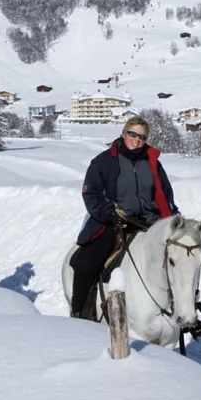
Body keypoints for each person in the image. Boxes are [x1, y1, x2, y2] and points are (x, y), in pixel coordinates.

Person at [69, 115, 177, 319]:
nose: (137, 139)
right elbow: (91, 193)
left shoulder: (153, 162)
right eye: (133, 134)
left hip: (149, 222)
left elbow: (165, 194)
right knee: (86, 263)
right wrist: (109, 213)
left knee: (181, 258)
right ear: (123, 133)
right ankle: (80, 312)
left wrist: (171, 216)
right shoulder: (104, 161)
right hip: (114, 221)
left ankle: (185, 310)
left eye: (142, 137)